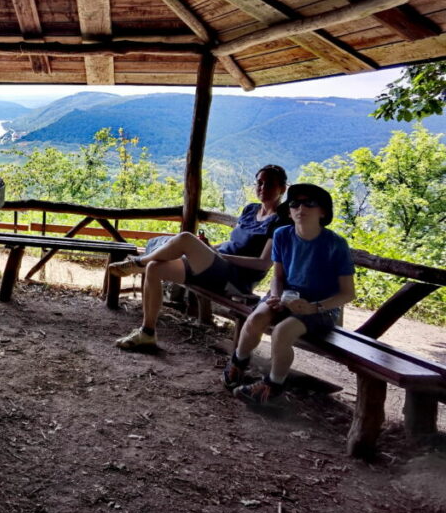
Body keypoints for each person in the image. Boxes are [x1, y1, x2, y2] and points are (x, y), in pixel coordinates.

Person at [109, 164, 289, 351]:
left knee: (186, 238)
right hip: (218, 265)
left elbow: (263, 264)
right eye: (259, 183)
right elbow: (234, 242)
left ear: (283, 188)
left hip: (236, 279)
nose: (262, 188)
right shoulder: (251, 210)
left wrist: (219, 255)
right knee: (154, 267)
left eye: (269, 184)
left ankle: (138, 262)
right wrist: (209, 248)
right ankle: (147, 333)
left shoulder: (280, 221)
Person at [223, 183, 355, 404]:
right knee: (255, 318)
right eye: (294, 203)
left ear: (323, 211)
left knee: (282, 332)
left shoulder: (335, 245)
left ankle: (273, 387)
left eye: (309, 203)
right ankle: (238, 363)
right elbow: (278, 277)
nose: (300, 208)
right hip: (287, 296)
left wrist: (315, 307)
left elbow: (347, 293)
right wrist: (275, 296)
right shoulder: (283, 234)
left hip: (322, 307)